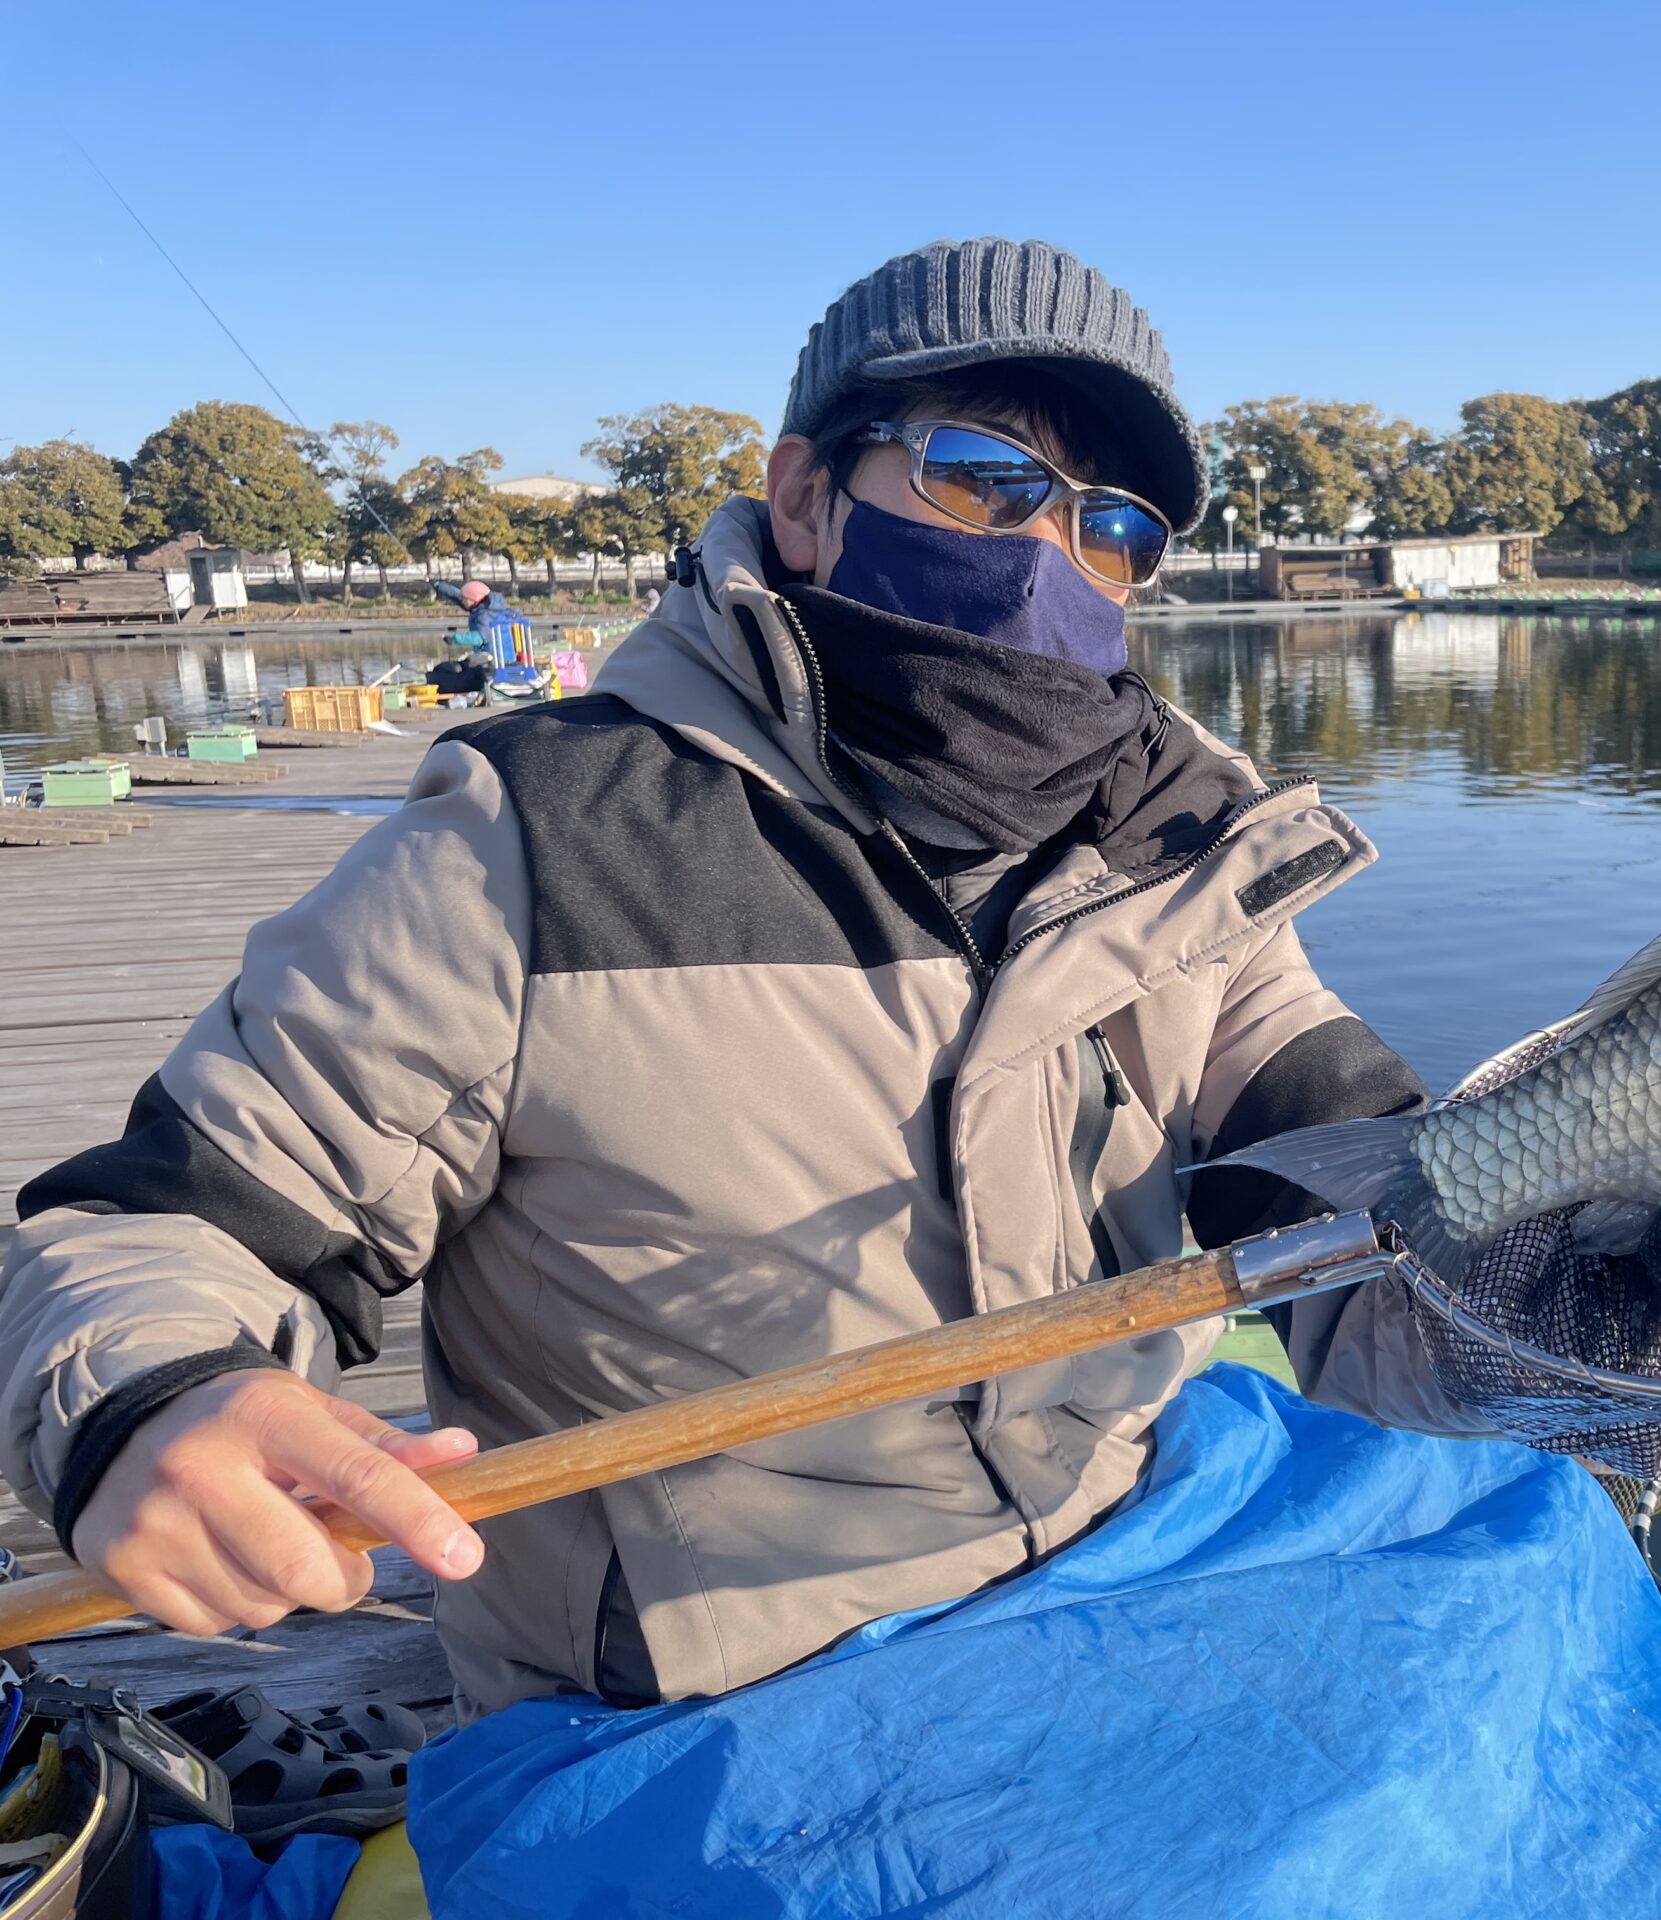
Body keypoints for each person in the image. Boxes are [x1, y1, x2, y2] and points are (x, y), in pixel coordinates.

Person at [0, 238, 1463, 1710]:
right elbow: (167, 1225)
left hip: (1119, 1583)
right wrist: (157, 1403)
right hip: (710, 1711)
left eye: (1114, 527)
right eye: (980, 474)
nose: (1045, 555)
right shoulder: (536, 838)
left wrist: (1578, 1302)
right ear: (809, 496)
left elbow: (1366, 1204)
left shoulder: (1191, 849)